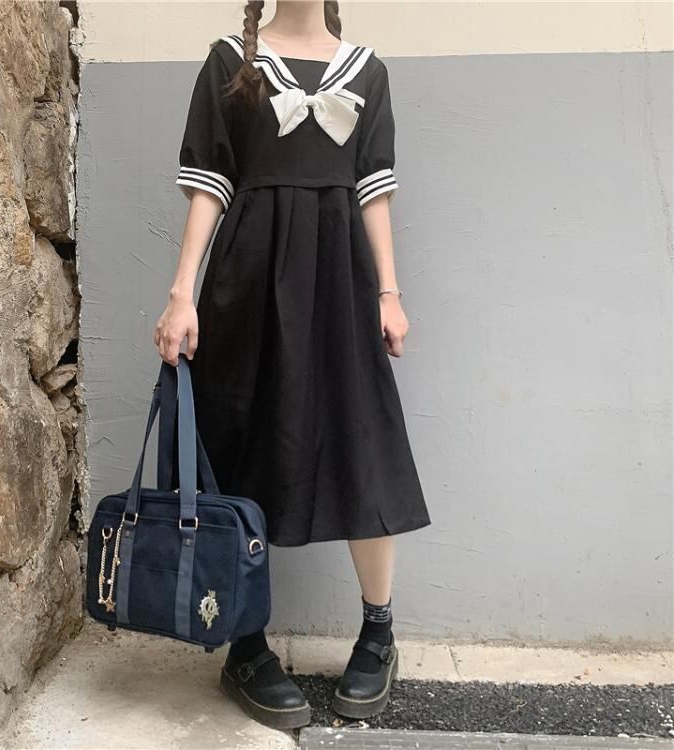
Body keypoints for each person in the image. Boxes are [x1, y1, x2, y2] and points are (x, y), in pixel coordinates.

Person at [154, 0, 432, 730]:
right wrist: (182, 293)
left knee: (360, 443)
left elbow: (374, 188)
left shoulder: (367, 72)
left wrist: (390, 294)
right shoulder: (230, 60)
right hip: (248, 277)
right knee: (243, 443)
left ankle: (379, 634)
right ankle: (244, 644)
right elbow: (209, 183)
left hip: (341, 279)